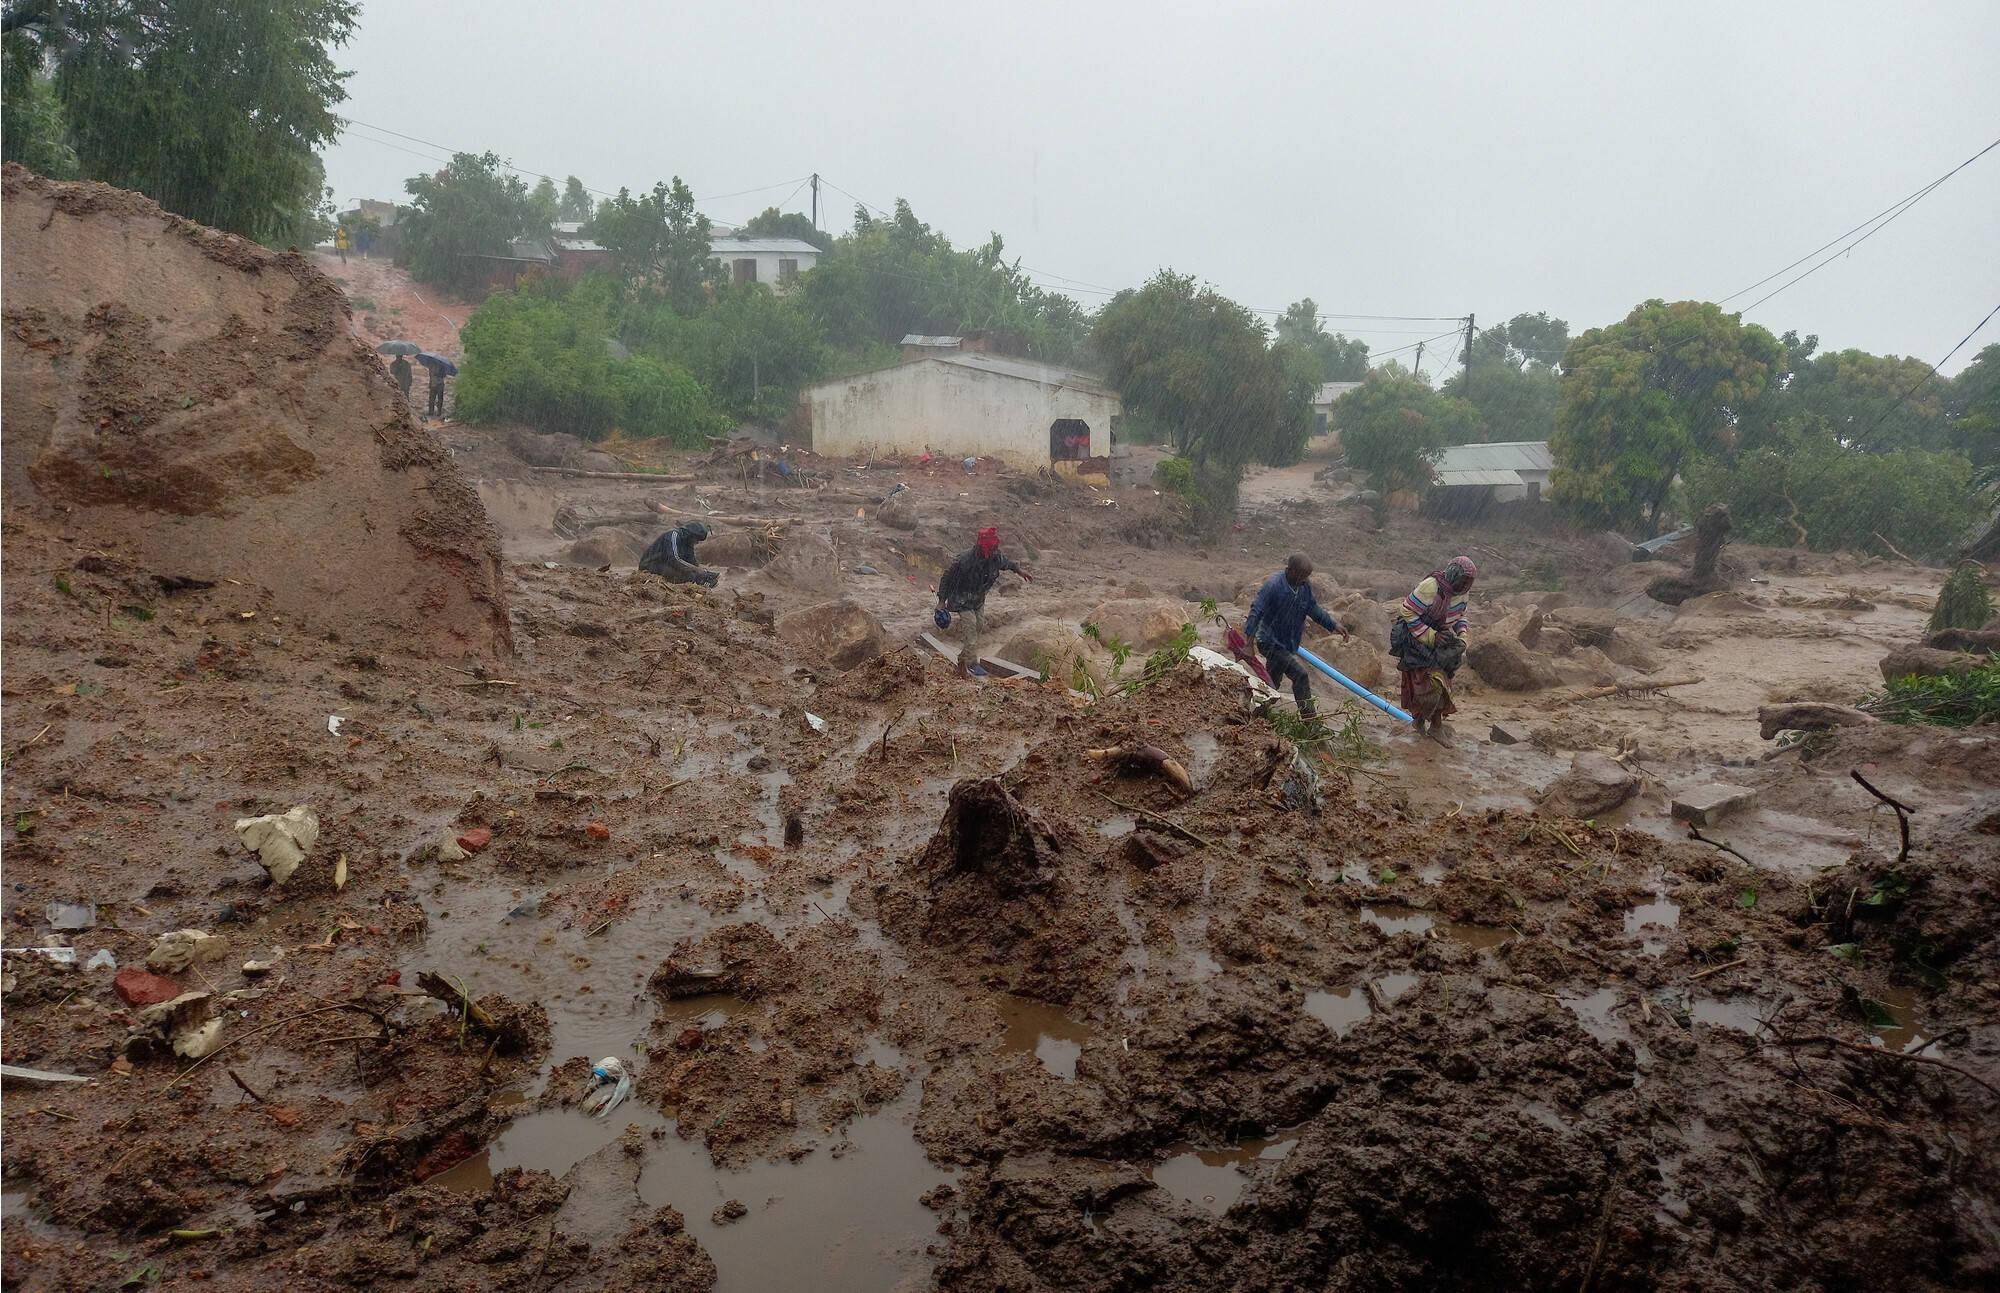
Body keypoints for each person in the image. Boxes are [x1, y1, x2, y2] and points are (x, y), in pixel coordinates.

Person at [1245, 554, 1347, 718]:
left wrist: (1333, 625)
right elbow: (1256, 611)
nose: (1304, 579)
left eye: (1307, 576)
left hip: (1287, 643)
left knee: (1272, 683)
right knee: (1300, 675)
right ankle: (1310, 723)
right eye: (1301, 575)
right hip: (1270, 642)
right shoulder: (1274, 586)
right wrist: (1248, 644)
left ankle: (1256, 715)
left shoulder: (1303, 586)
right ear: (1290, 570)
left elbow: (1313, 609)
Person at [1393, 555, 1476, 742]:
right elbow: (1406, 610)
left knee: (1438, 682)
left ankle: (1421, 722)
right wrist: (1430, 635)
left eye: (1469, 582)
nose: (1467, 586)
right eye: (1464, 581)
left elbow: (1460, 615)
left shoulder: (1462, 594)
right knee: (1431, 683)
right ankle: (1436, 727)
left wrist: (1462, 635)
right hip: (1415, 640)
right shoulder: (1430, 587)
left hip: (1441, 641)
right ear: (1455, 576)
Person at [935, 526, 1031, 677]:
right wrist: (941, 601)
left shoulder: (995, 557)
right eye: (992, 548)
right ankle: (971, 663)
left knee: (979, 626)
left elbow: (1007, 563)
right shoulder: (964, 561)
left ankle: (963, 660)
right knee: (971, 628)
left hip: (978, 599)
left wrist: (1020, 571)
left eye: (995, 548)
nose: (995, 550)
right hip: (961, 599)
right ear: (983, 547)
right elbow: (947, 577)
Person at [640, 520, 718, 587]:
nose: (696, 542)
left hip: (665, 564)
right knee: (689, 576)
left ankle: (702, 584)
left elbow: (691, 561)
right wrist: (697, 570)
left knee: (693, 574)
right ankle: (696, 586)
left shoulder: (687, 542)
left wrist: (704, 573)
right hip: (650, 566)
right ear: (690, 535)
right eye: (696, 540)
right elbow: (674, 559)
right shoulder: (673, 535)